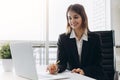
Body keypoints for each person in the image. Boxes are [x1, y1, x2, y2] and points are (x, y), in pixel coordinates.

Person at [47, 4, 107, 80]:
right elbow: (61, 63)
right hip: (73, 77)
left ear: (83, 18)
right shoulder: (63, 39)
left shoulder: (95, 38)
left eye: (76, 17)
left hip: (92, 76)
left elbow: (98, 65)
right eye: (70, 18)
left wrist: (84, 71)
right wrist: (56, 68)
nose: (72, 21)